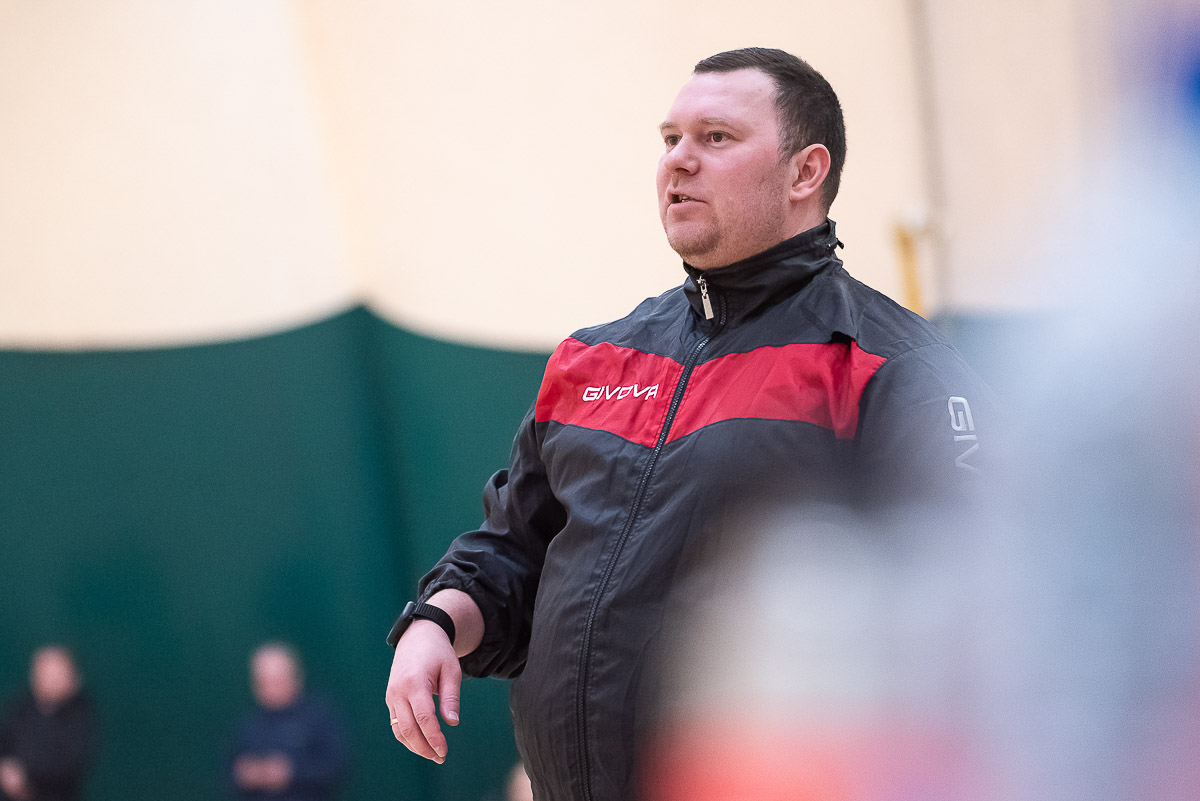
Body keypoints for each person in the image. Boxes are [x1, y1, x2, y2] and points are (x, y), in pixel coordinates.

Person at [384, 47, 995, 801]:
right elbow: (516, 552)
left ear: (805, 172)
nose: (678, 160)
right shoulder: (595, 356)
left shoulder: (892, 367)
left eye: (716, 137)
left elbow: (974, 623)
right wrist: (436, 622)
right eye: (670, 138)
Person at [230, 643, 347, 801]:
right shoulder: (248, 723)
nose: (270, 689)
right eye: (263, 682)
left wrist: (291, 771)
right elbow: (228, 770)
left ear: (295, 678)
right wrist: (246, 773)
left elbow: (336, 766)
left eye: (277, 681)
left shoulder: (318, 716)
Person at [0, 646, 95, 801]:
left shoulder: (81, 714)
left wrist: (25, 777)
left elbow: (70, 764)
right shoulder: (19, 707)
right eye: (45, 673)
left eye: (57, 674)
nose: (51, 680)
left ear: (72, 677)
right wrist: (5, 769)